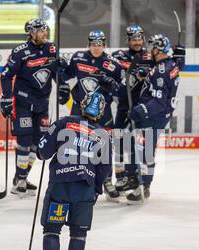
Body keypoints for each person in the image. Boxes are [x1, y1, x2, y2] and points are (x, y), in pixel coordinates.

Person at [36, 90, 112, 250]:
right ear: (101, 113)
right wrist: (95, 190)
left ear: (81, 105)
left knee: (52, 229)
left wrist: (44, 142)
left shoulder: (64, 122)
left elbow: (43, 151)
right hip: (84, 189)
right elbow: (105, 170)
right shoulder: (104, 135)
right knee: (79, 233)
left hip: (60, 185)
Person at [0, 18, 70, 198]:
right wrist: (7, 98)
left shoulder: (51, 48)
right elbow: (6, 76)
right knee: (24, 140)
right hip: (23, 102)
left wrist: (62, 84)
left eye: (45, 30)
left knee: (38, 144)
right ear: (31, 33)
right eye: (40, 31)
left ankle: (21, 177)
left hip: (42, 103)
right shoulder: (20, 52)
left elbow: (56, 71)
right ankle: (20, 180)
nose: (44, 33)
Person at [59, 29, 123, 201]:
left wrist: (113, 85)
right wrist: (60, 78)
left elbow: (121, 91)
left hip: (103, 113)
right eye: (94, 44)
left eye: (100, 44)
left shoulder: (112, 64)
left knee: (105, 146)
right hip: (79, 111)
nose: (97, 47)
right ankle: (75, 178)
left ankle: (107, 181)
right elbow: (65, 76)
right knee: (76, 145)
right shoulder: (78, 57)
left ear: (104, 45)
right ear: (89, 44)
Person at [126, 34, 181, 204]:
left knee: (145, 149)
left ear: (158, 49)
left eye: (152, 48)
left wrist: (139, 111)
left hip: (153, 116)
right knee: (139, 145)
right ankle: (137, 179)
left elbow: (158, 102)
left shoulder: (160, 72)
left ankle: (144, 186)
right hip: (159, 116)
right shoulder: (170, 64)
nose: (150, 51)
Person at [110, 24, 154, 198]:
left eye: (139, 38)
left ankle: (143, 182)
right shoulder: (118, 56)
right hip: (123, 107)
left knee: (141, 146)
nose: (137, 42)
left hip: (142, 109)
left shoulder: (150, 56)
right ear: (128, 40)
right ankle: (121, 179)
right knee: (120, 144)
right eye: (133, 39)